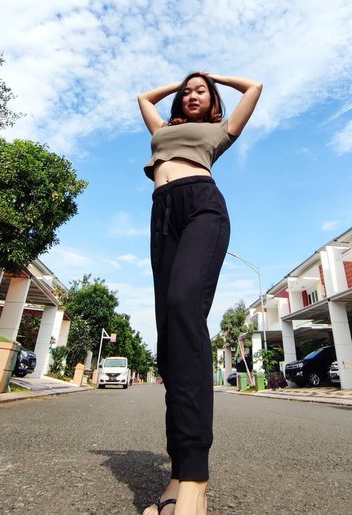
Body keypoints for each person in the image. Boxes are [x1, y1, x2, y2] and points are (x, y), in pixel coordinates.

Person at [138, 72, 262, 515]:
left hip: (201, 207)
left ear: (212, 102)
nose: (192, 95)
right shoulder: (163, 129)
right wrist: (181, 83)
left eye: (201, 92)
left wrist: (212, 76)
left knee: (184, 308)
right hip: (162, 215)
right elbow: (143, 97)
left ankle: (195, 479)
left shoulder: (219, 131)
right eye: (187, 92)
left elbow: (254, 88)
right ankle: (177, 474)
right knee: (169, 342)